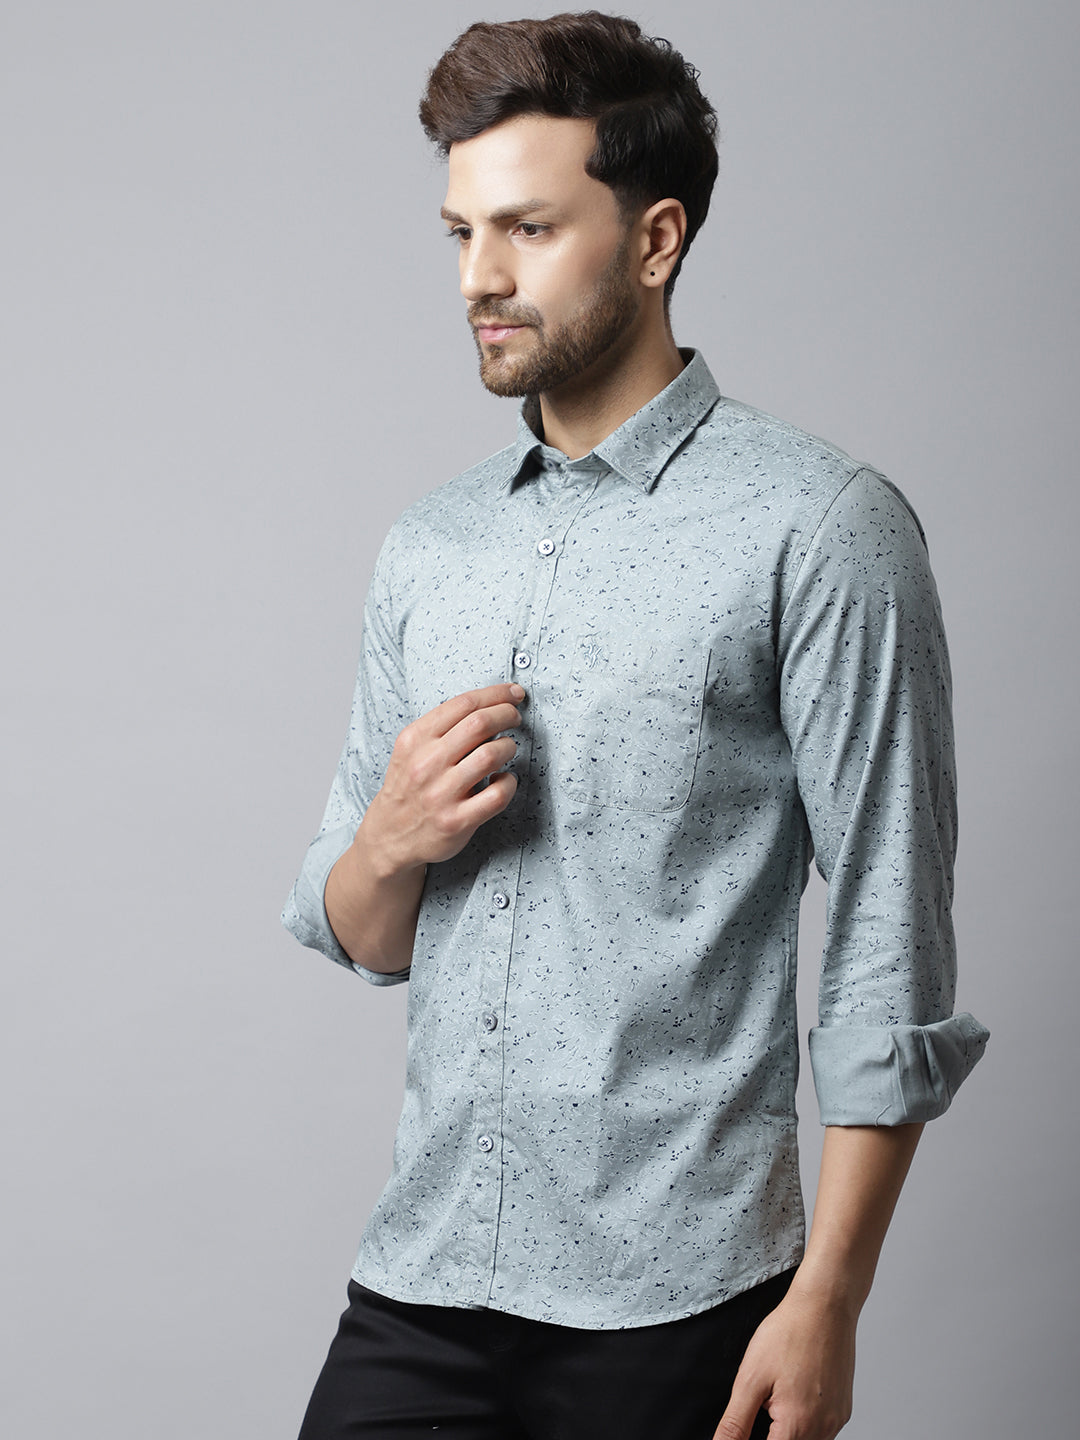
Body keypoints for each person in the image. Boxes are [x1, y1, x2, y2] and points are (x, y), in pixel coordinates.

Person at [282, 13, 988, 1439]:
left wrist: (831, 1299)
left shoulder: (821, 527)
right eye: (461, 233)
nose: (479, 279)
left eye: (529, 229)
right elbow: (369, 934)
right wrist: (390, 839)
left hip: (685, 1301)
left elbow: (888, 936)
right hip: (426, 1276)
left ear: (656, 240)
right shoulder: (430, 547)